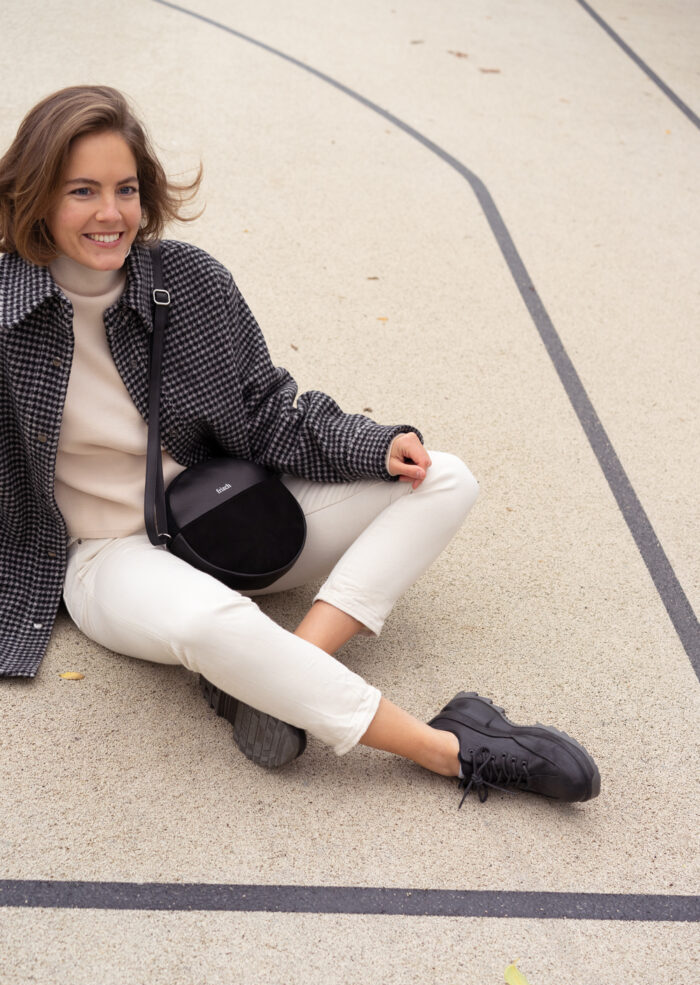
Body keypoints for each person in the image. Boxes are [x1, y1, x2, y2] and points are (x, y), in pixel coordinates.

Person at [0, 85, 600, 806]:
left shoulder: (189, 281)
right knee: (207, 621)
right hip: (108, 559)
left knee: (443, 478)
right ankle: (451, 748)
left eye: (125, 188)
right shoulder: (6, 311)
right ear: (34, 197)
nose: (111, 213)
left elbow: (266, 411)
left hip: (226, 518)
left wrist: (374, 446)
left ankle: (274, 682)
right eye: (82, 191)